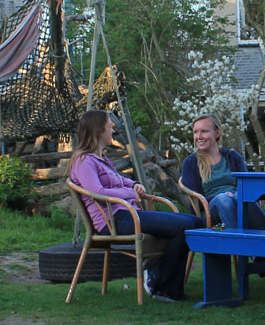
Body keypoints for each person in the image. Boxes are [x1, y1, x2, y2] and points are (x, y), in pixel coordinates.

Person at [69, 109, 196, 302]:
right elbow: (98, 193)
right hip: (114, 221)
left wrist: (134, 185)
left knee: (193, 222)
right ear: (98, 130)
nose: (112, 129)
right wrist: (130, 194)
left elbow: (119, 180)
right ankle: (165, 286)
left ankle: (159, 277)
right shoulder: (83, 161)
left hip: (128, 215)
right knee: (187, 226)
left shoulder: (102, 159)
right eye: (109, 126)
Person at [179, 114, 265, 232]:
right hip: (210, 214)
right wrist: (222, 196)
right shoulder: (190, 163)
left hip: (238, 204)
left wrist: (233, 195)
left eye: (204, 131)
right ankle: (238, 248)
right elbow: (196, 203)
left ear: (217, 133)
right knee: (223, 199)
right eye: (195, 132)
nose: (199, 136)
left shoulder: (232, 157)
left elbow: (247, 187)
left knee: (242, 196)